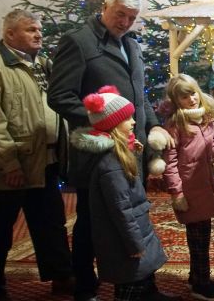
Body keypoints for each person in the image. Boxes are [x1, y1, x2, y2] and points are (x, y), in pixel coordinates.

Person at [48, 0, 172, 301]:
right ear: (106, 7)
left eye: (132, 18)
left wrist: (154, 126)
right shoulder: (78, 42)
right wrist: (105, 121)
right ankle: (85, 288)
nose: (126, 22)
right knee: (91, 223)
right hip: (99, 154)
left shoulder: (132, 45)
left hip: (133, 150)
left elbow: (138, 98)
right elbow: (59, 96)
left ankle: (142, 286)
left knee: (135, 217)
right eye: (121, 15)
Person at [70, 86, 177, 301]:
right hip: (126, 238)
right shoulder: (111, 166)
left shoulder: (119, 152)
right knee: (130, 282)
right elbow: (120, 209)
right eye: (128, 118)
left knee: (141, 273)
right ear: (112, 125)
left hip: (135, 228)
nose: (134, 122)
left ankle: (149, 292)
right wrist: (134, 244)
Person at [0, 10, 73, 301]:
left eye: (39, 29)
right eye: (31, 30)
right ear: (10, 35)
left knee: (51, 222)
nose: (39, 34)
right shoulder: (0, 67)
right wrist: (9, 163)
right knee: (2, 228)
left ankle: (62, 277)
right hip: (12, 167)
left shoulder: (42, 64)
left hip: (46, 161)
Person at [160, 74, 214, 300]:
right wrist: (177, 193)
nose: (191, 99)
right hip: (190, 190)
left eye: (193, 93)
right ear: (176, 100)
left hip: (205, 185)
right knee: (198, 237)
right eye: (184, 96)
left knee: (202, 234)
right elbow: (169, 164)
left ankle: (197, 276)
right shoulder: (175, 125)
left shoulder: (206, 117)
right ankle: (201, 282)